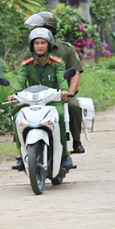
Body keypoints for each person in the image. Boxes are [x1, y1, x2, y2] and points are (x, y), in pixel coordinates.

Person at [12, 12, 85, 171]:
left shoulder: (64, 51)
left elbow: (73, 73)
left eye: (42, 41)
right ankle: (21, 151)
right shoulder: (30, 53)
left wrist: (68, 93)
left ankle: (73, 143)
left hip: (57, 96)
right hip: (34, 97)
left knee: (72, 107)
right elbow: (22, 77)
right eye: (36, 42)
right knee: (17, 112)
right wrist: (17, 94)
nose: (39, 45)